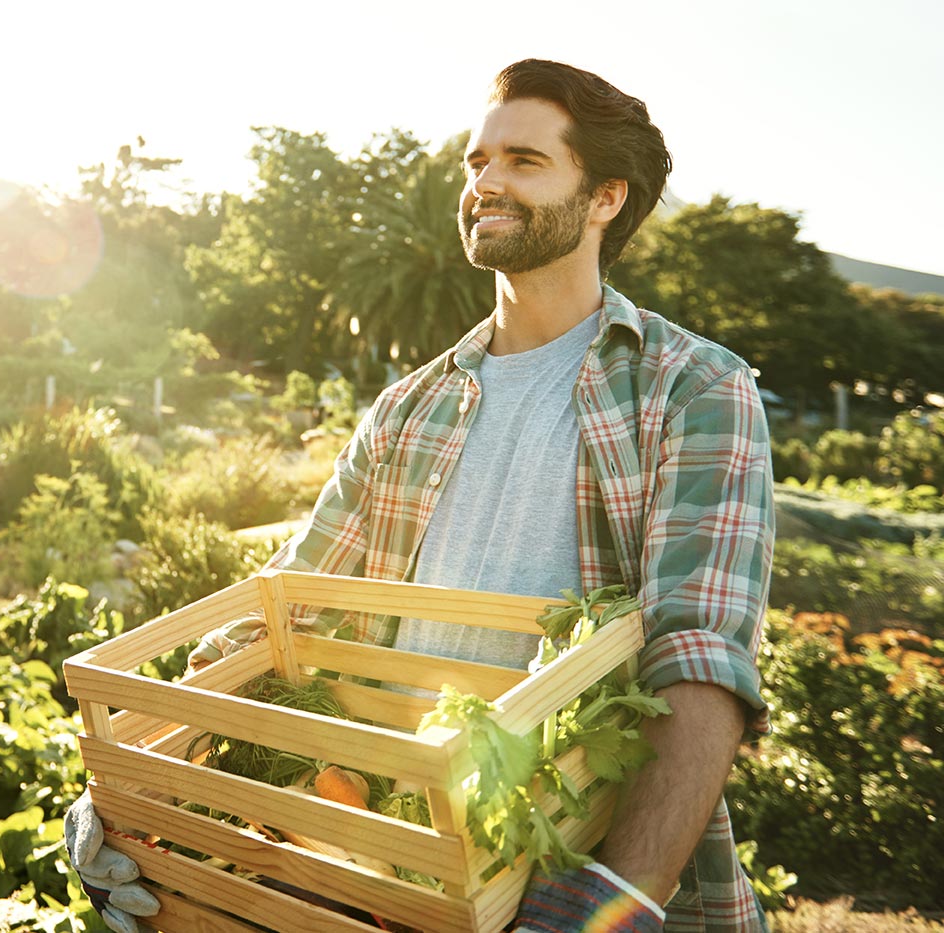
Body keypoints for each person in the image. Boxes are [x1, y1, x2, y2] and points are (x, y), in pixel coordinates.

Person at [67, 58, 774, 933]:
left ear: (605, 198)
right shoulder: (409, 408)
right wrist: (142, 777)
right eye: (476, 162)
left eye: (524, 161)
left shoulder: (691, 390)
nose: (485, 182)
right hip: (384, 867)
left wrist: (608, 903)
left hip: (565, 864)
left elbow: (699, 657)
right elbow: (283, 608)